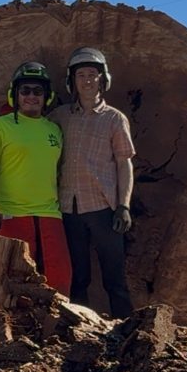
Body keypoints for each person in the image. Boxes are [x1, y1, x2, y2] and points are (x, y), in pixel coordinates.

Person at [50, 47, 135, 319]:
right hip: (68, 209)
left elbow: (124, 163)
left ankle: (126, 328)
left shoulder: (114, 118)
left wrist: (123, 206)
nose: (87, 80)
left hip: (104, 209)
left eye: (92, 74)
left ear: (103, 79)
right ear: (72, 81)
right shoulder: (60, 117)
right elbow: (30, 123)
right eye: (81, 75)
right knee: (77, 277)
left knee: (114, 278)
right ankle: (79, 328)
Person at [0, 61, 72, 297]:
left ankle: (57, 320)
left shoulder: (54, 130)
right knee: (14, 283)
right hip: (12, 215)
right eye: (25, 90)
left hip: (50, 215)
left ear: (47, 96)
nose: (31, 96)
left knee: (60, 278)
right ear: (15, 95)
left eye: (38, 91)